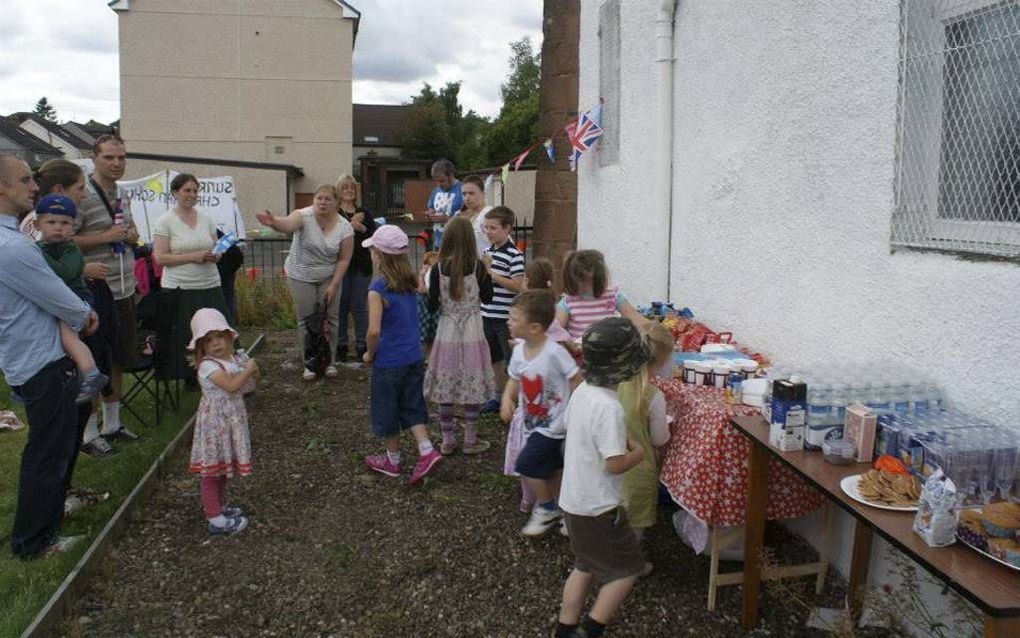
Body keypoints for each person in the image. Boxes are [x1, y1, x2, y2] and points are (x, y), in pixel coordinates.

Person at [0, 155, 98, 558]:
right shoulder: (13, 248)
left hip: (30, 354)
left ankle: (42, 528)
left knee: (50, 449)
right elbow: (66, 304)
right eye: (25, 180)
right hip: (42, 359)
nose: (34, 186)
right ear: (2, 189)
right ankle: (34, 543)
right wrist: (84, 313)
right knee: (47, 453)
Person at [555, 318, 650, 638]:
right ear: (628, 366)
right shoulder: (610, 407)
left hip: (573, 502)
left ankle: (565, 628)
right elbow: (614, 465)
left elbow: (577, 430)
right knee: (627, 571)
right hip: (599, 508)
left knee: (584, 564)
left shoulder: (582, 390)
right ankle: (592, 629)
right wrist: (638, 453)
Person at [360, 225, 443, 484]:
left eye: (373, 249)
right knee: (412, 403)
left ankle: (392, 461)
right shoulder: (409, 283)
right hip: (413, 356)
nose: (372, 253)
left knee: (387, 409)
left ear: (379, 255)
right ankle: (427, 449)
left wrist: (369, 352)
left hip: (389, 360)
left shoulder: (378, 288)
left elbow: (374, 330)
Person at [72, 133, 141, 443]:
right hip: (95, 291)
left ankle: (112, 425)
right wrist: (106, 236)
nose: (116, 163)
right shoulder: (82, 195)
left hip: (124, 289)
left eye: (121, 157)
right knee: (94, 361)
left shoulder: (121, 195)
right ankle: (87, 433)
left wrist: (130, 235)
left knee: (118, 358)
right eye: (109, 157)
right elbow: (63, 239)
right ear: (94, 159)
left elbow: (131, 231)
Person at [500, 289, 581, 536]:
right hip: (532, 423)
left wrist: (578, 412)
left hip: (554, 426)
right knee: (554, 473)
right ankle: (569, 515)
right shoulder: (518, 351)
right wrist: (506, 398)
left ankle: (546, 508)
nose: (508, 322)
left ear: (534, 327)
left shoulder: (554, 353)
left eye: (514, 319)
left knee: (526, 464)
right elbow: (514, 378)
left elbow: (576, 379)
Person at [256, 185, 353, 380]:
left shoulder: (344, 226)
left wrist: (334, 284)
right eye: (319, 198)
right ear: (313, 200)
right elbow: (288, 224)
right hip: (300, 275)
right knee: (306, 319)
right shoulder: (303, 216)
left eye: (327, 199)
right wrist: (274, 222)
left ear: (336, 203)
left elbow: (344, 259)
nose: (322, 202)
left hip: (328, 276)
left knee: (332, 319)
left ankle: (330, 361)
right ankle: (309, 363)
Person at [423, 216, 495, 455]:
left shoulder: (437, 268)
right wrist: (489, 269)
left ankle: (447, 439)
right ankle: (470, 440)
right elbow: (488, 298)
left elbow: (432, 307)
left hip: (447, 330)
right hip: (473, 329)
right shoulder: (478, 266)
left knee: (447, 380)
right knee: (471, 380)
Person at [151, 173, 230, 383]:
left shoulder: (206, 219)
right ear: (175, 192)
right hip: (180, 287)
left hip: (209, 284)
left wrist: (217, 254)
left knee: (214, 331)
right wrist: (194, 256)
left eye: (195, 190)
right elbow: (160, 257)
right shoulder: (164, 221)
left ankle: (221, 372)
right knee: (186, 333)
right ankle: (190, 376)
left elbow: (217, 247)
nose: (192, 194)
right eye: (187, 190)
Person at [187, 308, 257, 535]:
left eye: (219, 337)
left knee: (223, 468)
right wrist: (247, 370)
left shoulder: (232, 360)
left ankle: (219, 505)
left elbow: (248, 386)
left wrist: (249, 370)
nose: (216, 343)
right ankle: (214, 517)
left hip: (231, 420)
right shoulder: (208, 366)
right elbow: (232, 386)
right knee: (211, 472)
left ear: (228, 337)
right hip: (215, 425)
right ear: (201, 346)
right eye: (209, 340)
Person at [33, 194, 108, 402]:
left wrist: (35, 254)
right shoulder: (39, 248)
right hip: (55, 302)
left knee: (68, 337)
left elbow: (64, 272)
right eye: (51, 222)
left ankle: (91, 373)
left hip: (76, 300)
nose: (58, 228)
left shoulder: (70, 249)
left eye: (65, 223)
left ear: (73, 226)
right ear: (37, 224)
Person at [618, 321, 674, 571]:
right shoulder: (653, 396)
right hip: (638, 469)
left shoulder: (614, 383)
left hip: (610, 460)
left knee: (614, 513)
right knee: (635, 521)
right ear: (661, 362)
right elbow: (659, 439)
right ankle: (630, 564)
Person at [480, 205, 525, 412]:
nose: (488, 232)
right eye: (486, 227)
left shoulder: (515, 255)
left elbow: (517, 286)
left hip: (505, 318)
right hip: (486, 314)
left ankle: (515, 399)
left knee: (511, 360)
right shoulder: (487, 251)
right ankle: (498, 396)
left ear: (507, 229)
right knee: (493, 358)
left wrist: (491, 273)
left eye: (493, 228)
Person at [556, 249, 647, 340]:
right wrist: (569, 342)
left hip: (608, 348)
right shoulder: (569, 301)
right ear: (574, 281)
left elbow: (634, 317)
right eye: (590, 282)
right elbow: (555, 329)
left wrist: (654, 329)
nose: (597, 285)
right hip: (581, 351)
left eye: (599, 281)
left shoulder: (613, 295)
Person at [335, 173, 378, 363]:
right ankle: (341, 345)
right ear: (339, 191)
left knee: (360, 307)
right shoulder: (334, 213)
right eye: (345, 187)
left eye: (352, 187)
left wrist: (361, 229)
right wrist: (350, 225)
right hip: (340, 266)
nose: (349, 190)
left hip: (361, 265)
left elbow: (374, 236)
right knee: (341, 306)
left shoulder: (365, 213)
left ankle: (362, 345)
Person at [424, 159, 462, 250]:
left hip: (456, 243)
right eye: (436, 181)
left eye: (442, 181)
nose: (439, 184)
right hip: (438, 242)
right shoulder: (436, 190)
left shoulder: (463, 190)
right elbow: (431, 208)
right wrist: (430, 215)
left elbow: (469, 217)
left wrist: (448, 219)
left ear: (451, 176)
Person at [458, 175, 491, 255]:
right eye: (464, 194)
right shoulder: (468, 217)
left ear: (483, 194)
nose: (467, 198)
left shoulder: (489, 215)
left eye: (471, 193)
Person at [416, 250, 440, 360]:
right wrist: (421, 276)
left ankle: (430, 359)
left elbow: (426, 290)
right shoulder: (424, 275)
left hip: (434, 308)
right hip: (425, 309)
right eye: (427, 264)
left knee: (432, 336)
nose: (429, 268)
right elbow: (421, 289)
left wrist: (422, 277)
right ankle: (424, 358)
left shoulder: (436, 276)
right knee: (424, 336)